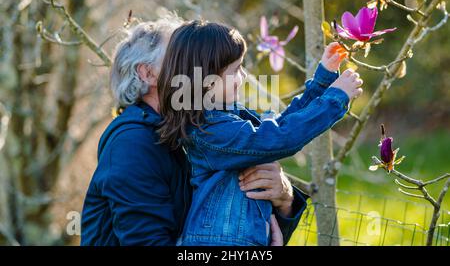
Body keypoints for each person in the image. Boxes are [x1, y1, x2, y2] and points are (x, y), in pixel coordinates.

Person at [80, 17, 308, 245]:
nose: (199, 67)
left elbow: (227, 228)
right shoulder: (132, 145)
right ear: (148, 74)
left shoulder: (200, 129)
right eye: (179, 58)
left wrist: (283, 198)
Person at [156, 20, 363, 246]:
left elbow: (281, 124)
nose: (243, 77)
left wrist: (323, 80)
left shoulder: (226, 118)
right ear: (206, 79)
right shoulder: (210, 130)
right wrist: (335, 99)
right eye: (236, 70)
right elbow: (280, 137)